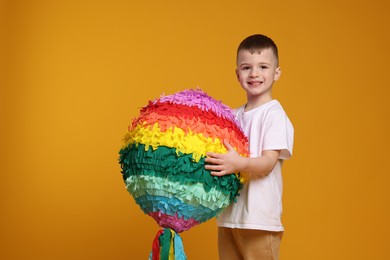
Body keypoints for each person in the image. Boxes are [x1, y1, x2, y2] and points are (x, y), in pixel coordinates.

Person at [205, 34, 294, 260]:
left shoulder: (274, 115)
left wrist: (238, 163)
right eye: (246, 67)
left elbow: (268, 163)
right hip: (228, 218)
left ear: (276, 73)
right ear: (237, 74)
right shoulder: (232, 116)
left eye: (263, 66)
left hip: (260, 220)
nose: (254, 74)